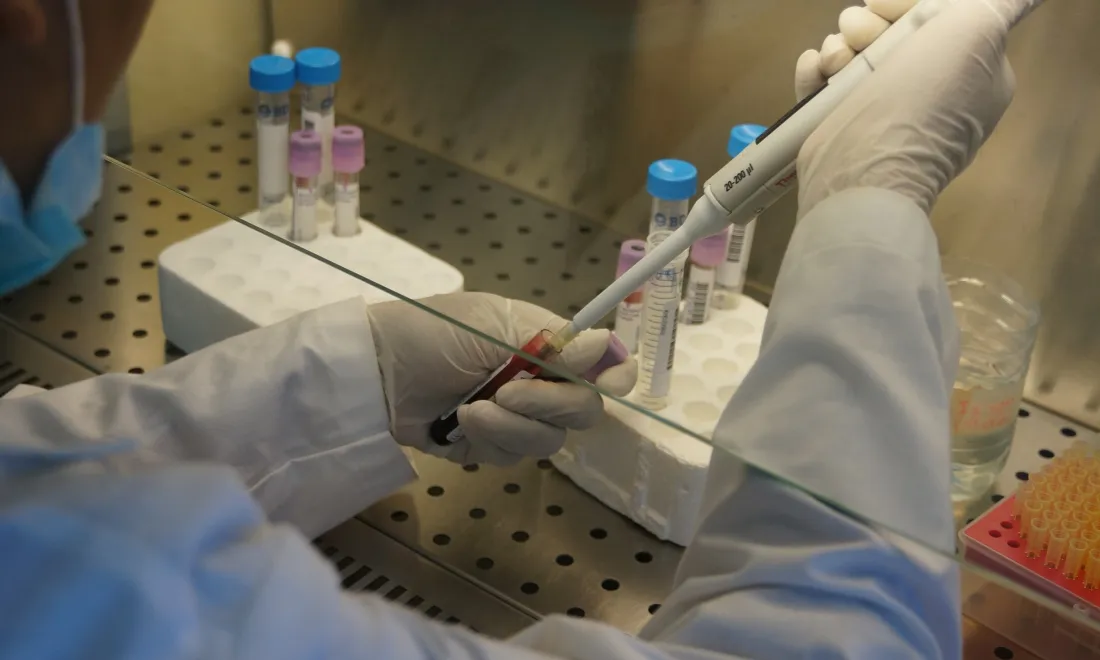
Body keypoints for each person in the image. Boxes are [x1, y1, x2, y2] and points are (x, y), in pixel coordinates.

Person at [0, 0, 1041, 658]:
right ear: (27, 18)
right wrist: (868, 199)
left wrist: (360, 375)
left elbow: (32, 480)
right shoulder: (120, 604)